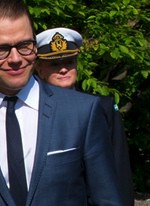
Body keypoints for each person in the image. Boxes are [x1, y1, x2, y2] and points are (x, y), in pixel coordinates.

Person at [0, 0, 123, 205]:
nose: (16, 59)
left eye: (24, 46)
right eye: (0, 49)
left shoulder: (82, 113)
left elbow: (107, 199)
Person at [35, 27, 134, 205]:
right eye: (55, 64)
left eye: (69, 62)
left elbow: (118, 168)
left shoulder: (101, 107)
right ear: (39, 69)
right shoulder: (29, 110)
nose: (64, 69)